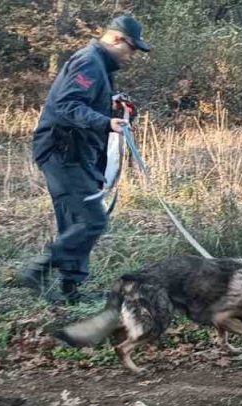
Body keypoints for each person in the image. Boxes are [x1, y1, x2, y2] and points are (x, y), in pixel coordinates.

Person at [16, 14, 151, 304]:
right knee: (92, 220)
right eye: (132, 48)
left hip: (78, 152)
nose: (133, 56)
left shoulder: (101, 66)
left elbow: (83, 103)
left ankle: (70, 292)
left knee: (78, 218)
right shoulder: (89, 61)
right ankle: (38, 269)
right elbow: (66, 104)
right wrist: (106, 122)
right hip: (62, 149)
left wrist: (112, 109)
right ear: (117, 39)